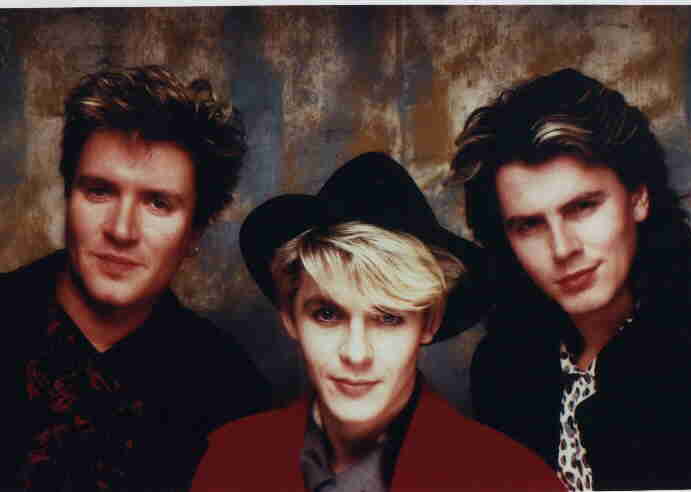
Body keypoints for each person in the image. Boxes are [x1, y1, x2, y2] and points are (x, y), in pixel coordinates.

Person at [191, 152, 563, 492]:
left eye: (388, 318)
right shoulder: (229, 462)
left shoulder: (515, 481)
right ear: (290, 316)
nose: (356, 354)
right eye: (327, 314)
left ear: (429, 322)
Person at [0, 65, 271, 490]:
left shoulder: (231, 390)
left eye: (158, 203)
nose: (122, 230)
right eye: (99, 191)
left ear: (194, 232)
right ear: (67, 197)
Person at [448, 68, 691, 490]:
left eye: (583, 207)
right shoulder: (503, 369)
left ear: (638, 196)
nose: (562, 248)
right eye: (529, 225)